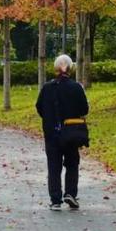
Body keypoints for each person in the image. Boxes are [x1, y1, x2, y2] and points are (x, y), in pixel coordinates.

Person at [36, 54, 89, 211]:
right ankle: (70, 193)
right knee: (72, 163)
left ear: (55, 69)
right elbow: (84, 109)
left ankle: (55, 200)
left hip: (52, 133)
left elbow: (39, 107)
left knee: (54, 166)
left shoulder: (47, 88)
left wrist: (49, 119)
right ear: (71, 69)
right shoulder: (76, 87)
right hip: (71, 133)